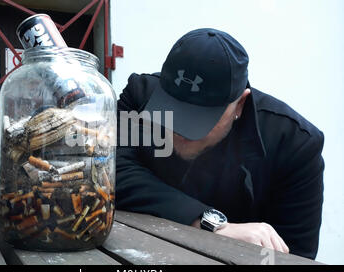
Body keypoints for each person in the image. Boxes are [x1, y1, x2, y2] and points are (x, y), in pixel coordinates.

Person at [115, 28, 325, 259]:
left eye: (200, 117)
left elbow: (296, 255)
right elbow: (111, 171)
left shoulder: (295, 143)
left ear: (240, 105)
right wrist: (211, 224)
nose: (179, 128)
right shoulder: (140, 96)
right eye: (172, 109)